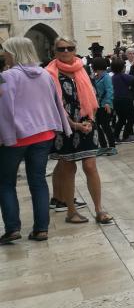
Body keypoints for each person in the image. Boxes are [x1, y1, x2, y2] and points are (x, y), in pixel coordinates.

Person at [0, 37, 70, 243]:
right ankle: (41, 229)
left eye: (6, 50)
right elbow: (55, 102)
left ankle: (12, 228)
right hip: (44, 134)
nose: (4, 54)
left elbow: (4, 109)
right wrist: (62, 127)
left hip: (17, 137)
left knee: (5, 182)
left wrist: (5, 136)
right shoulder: (45, 74)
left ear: (14, 52)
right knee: (38, 181)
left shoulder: (7, 76)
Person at [47, 37, 114, 225]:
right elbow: (51, 104)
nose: (66, 52)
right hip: (64, 126)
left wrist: (90, 120)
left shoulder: (83, 69)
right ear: (55, 51)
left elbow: (92, 97)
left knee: (90, 166)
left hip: (87, 123)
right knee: (68, 168)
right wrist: (72, 124)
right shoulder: (49, 74)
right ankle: (71, 211)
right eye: (61, 49)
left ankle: (99, 209)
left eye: (70, 48)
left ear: (75, 50)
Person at [90, 57, 117, 156]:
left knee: (106, 126)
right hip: (97, 105)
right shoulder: (96, 77)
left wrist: (108, 103)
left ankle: (112, 147)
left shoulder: (106, 77)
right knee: (98, 126)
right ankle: (103, 146)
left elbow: (110, 90)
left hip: (105, 105)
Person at [110, 58, 134, 143]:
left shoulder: (112, 77)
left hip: (116, 100)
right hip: (126, 99)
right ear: (122, 68)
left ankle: (115, 137)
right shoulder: (124, 76)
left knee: (121, 119)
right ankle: (125, 136)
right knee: (132, 118)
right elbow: (133, 80)